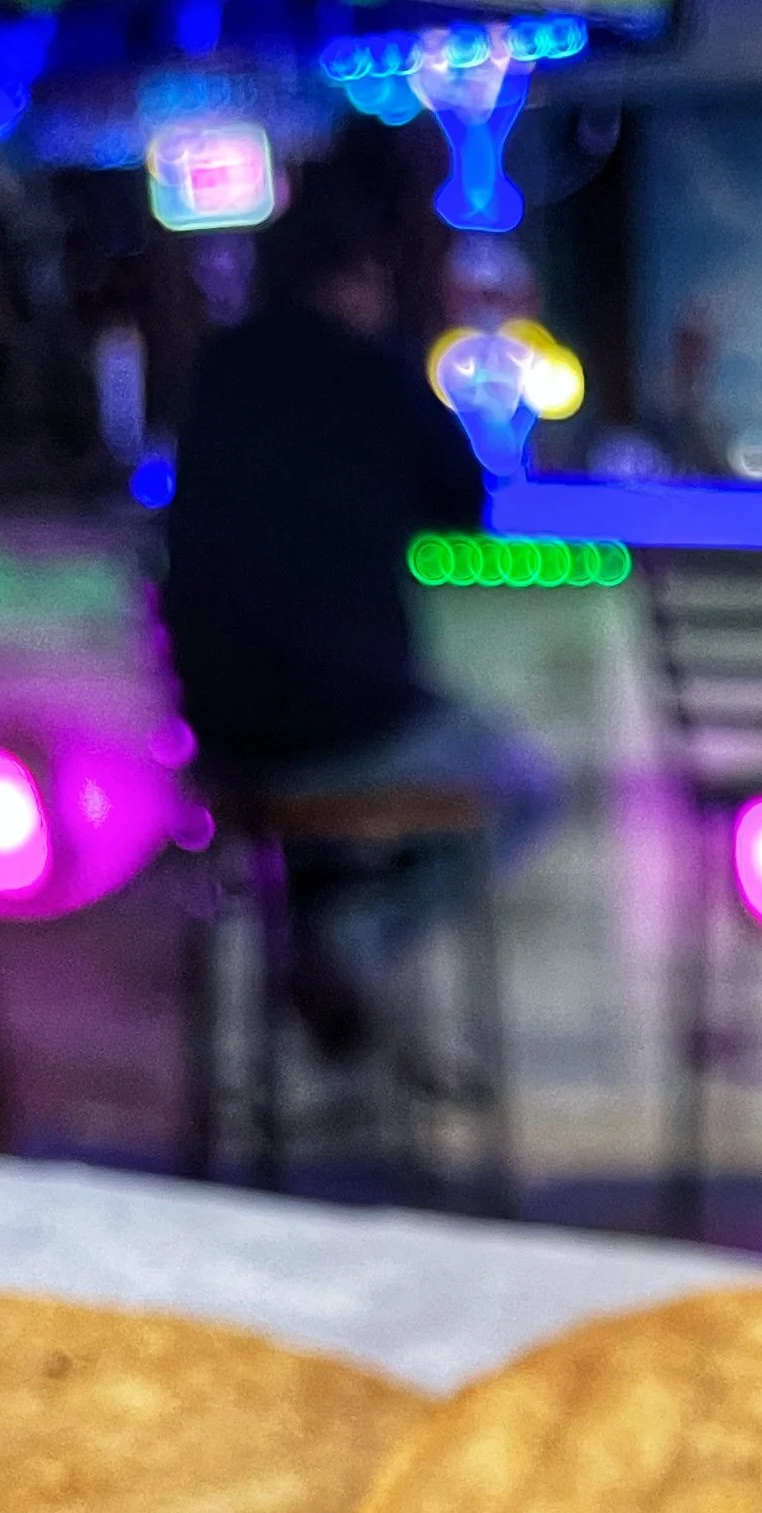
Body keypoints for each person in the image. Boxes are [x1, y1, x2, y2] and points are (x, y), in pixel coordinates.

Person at [163, 161, 558, 1046]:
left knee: (351, 749)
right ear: (362, 277)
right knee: (528, 787)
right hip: (339, 725)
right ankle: (351, 939)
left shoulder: (221, 367)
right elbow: (467, 502)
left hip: (220, 734)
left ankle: (325, 932)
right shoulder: (371, 370)